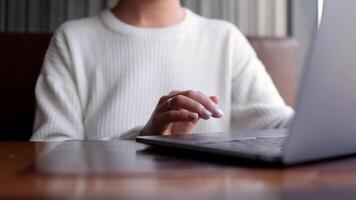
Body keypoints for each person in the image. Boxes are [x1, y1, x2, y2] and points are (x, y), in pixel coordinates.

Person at [30, 0, 294, 141]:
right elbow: (49, 149)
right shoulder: (73, 39)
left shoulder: (225, 38)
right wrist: (142, 139)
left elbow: (281, 125)